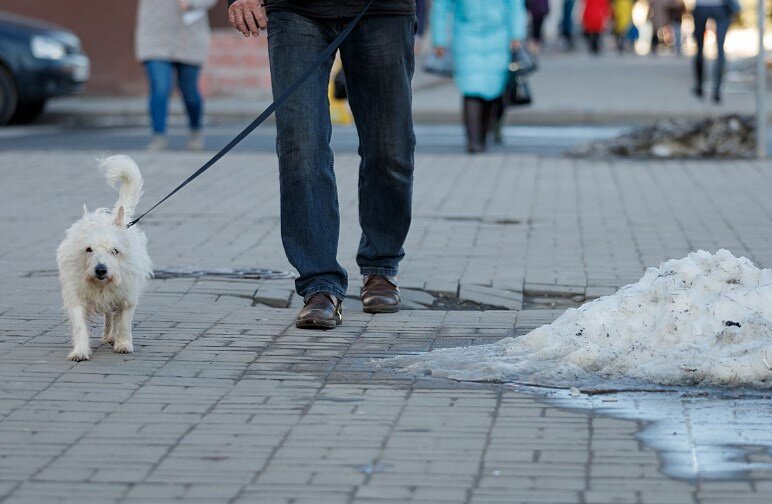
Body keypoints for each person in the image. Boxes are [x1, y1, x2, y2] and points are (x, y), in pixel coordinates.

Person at [227, 0, 416, 329]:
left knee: (390, 148)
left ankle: (381, 267)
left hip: (382, 9)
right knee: (301, 146)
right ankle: (319, 285)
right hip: (295, 9)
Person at [431, 0, 527, 153]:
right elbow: (441, 6)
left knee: (494, 88)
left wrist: (516, 34)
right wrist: (439, 39)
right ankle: (473, 140)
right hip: (466, 36)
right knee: (471, 87)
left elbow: (514, 4)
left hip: (498, 37)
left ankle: (483, 135)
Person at [135, 0, 217, 151]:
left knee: (189, 91)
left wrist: (192, 2)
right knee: (160, 88)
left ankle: (195, 130)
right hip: (155, 37)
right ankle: (158, 136)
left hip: (189, 37)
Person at [692, 0, 732, 103]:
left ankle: (699, 87)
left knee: (699, 49)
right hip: (721, 6)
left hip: (701, 5)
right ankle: (717, 91)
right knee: (720, 51)